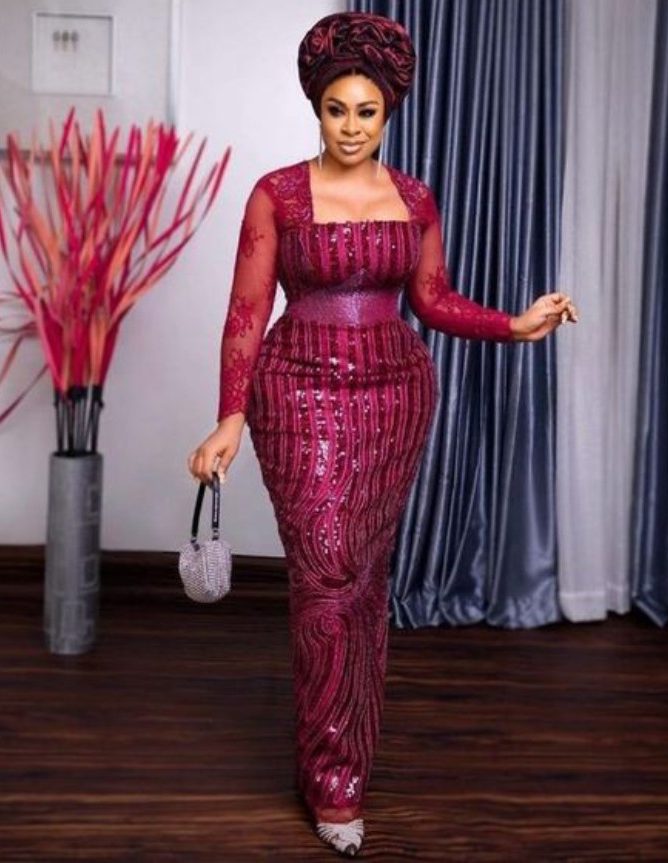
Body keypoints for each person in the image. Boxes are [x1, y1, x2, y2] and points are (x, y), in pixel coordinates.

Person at [188, 11, 578, 858]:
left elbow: (432, 301)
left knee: (363, 580)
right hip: (297, 392)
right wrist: (230, 415)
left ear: (388, 112)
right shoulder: (277, 194)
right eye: (337, 110)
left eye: (367, 111)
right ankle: (329, 774)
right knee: (325, 574)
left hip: (395, 395)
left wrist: (513, 324)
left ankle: (344, 762)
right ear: (317, 109)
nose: (352, 126)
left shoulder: (416, 198)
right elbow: (247, 310)